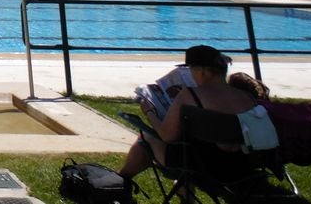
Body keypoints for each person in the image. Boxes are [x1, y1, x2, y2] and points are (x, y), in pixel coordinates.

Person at [119, 45, 279, 182]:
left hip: (200, 166)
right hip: (242, 165)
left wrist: (149, 112)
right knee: (189, 144)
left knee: (147, 137)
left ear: (203, 72)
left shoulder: (190, 95)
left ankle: (122, 181)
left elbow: (166, 136)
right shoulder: (246, 97)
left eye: (191, 69)